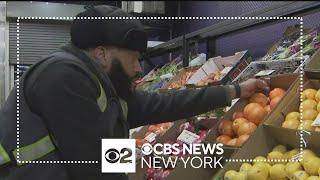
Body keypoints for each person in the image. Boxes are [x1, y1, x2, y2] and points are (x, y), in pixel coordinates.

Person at [0, 5, 269, 180]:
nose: (138, 68)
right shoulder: (64, 76)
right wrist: (135, 169)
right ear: (102, 53)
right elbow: (92, 164)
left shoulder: (101, 84)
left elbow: (163, 104)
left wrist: (234, 90)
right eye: (133, 58)